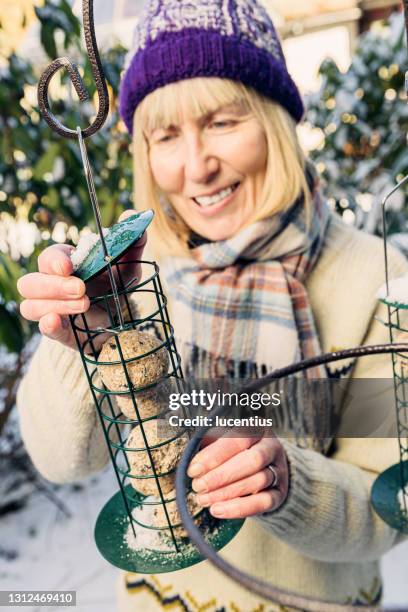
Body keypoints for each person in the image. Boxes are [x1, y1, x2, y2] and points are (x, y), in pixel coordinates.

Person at [16, 1, 408, 610]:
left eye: (223, 122)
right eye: (165, 135)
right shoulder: (142, 276)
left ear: (277, 121)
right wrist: (87, 336)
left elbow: (388, 508)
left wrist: (286, 484)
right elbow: (64, 462)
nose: (196, 167)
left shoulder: (376, 279)